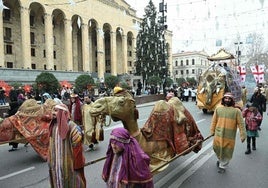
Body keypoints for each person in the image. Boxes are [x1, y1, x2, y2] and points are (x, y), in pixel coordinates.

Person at [48, 103, 86, 187]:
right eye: (53, 110)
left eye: (56, 111)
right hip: (56, 165)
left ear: (63, 113)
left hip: (69, 165)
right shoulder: (53, 127)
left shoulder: (72, 126)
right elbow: (51, 146)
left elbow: (77, 147)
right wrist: (50, 161)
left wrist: (77, 165)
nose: (53, 113)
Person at [210, 92, 246, 173]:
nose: (227, 100)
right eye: (226, 98)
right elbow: (214, 121)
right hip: (218, 134)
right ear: (223, 99)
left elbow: (241, 124)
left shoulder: (237, 111)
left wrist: (243, 134)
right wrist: (212, 130)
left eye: (229, 99)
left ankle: (223, 166)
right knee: (217, 148)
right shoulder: (218, 108)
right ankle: (220, 160)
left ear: (232, 100)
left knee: (227, 150)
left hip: (229, 136)